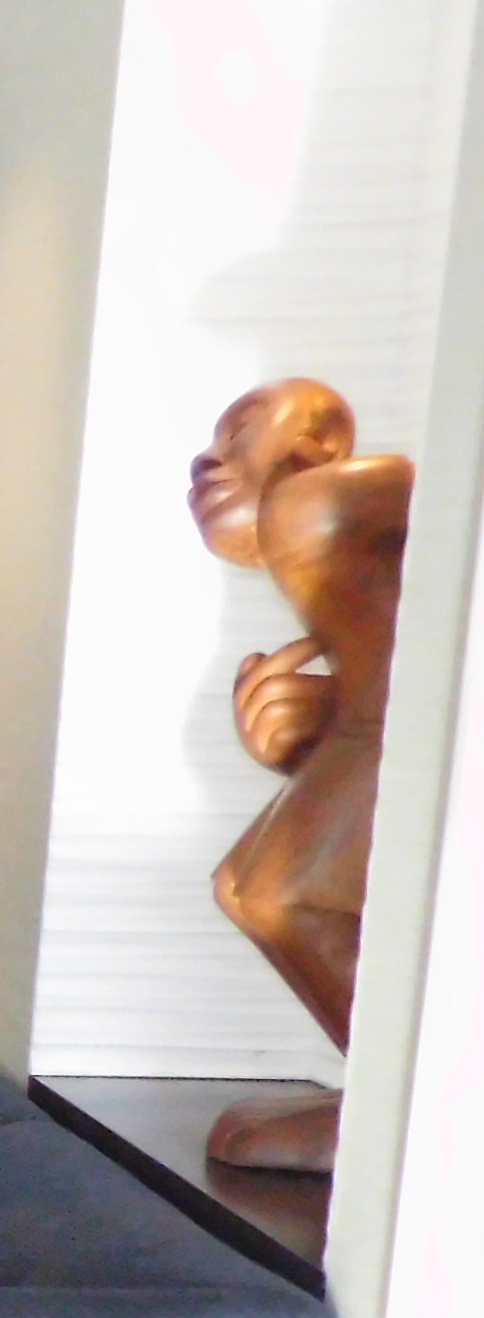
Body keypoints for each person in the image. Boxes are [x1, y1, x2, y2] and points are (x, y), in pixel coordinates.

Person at [186, 380, 411, 1172]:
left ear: (318, 447)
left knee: (274, 894)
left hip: (411, 726)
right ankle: (384, 1095)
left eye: (242, 430)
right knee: (250, 889)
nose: (206, 460)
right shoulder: (325, 528)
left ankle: (398, 1114)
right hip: (387, 725)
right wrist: (314, 729)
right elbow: (384, 644)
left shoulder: (341, 495)